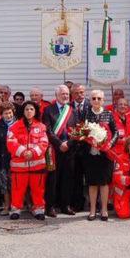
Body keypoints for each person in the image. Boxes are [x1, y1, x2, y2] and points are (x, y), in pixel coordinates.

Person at [7, 101, 49, 220]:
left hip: (37, 166)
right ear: (23, 111)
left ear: (35, 111)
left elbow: (44, 143)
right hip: (19, 166)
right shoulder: (14, 126)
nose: (29, 111)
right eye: (26, 109)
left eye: (31, 109)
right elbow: (11, 143)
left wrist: (33, 152)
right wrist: (23, 152)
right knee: (17, 189)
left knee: (38, 189)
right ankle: (15, 209)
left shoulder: (41, 127)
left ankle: (38, 209)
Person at [42, 85, 79, 217]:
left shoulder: (72, 110)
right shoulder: (48, 110)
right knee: (52, 179)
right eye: (63, 94)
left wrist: (68, 144)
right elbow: (48, 130)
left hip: (69, 150)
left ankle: (65, 205)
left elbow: (78, 130)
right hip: (54, 150)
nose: (65, 96)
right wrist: (59, 144)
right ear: (56, 95)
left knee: (67, 179)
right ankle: (50, 206)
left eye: (67, 94)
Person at [81, 90, 118, 221]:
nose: (96, 100)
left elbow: (116, 132)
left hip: (105, 154)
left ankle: (104, 210)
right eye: (94, 98)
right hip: (90, 153)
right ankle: (92, 211)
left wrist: (109, 144)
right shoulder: (85, 113)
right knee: (92, 183)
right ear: (90, 100)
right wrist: (87, 137)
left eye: (99, 98)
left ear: (103, 100)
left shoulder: (108, 114)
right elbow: (81, 131)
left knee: (104, 183)